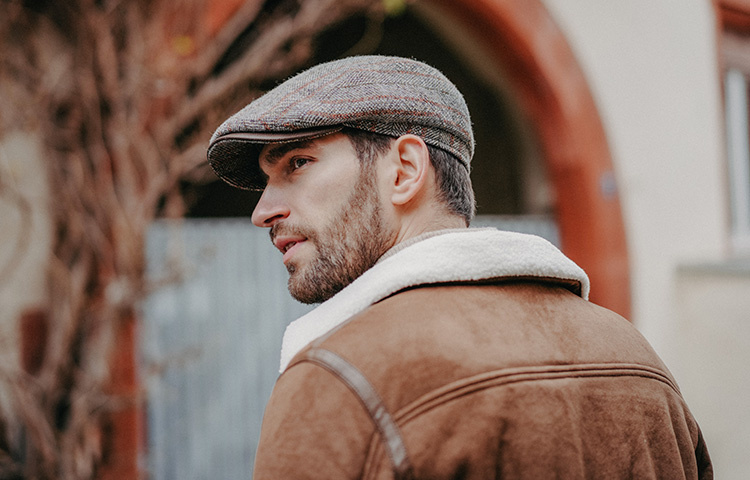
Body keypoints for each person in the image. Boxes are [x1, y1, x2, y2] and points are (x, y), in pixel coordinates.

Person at [207, 55, 712, 479]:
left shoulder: (340, 378)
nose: (262, 211)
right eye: (267, 179)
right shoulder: (638, 360)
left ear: (404, 170)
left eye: (297, 163)